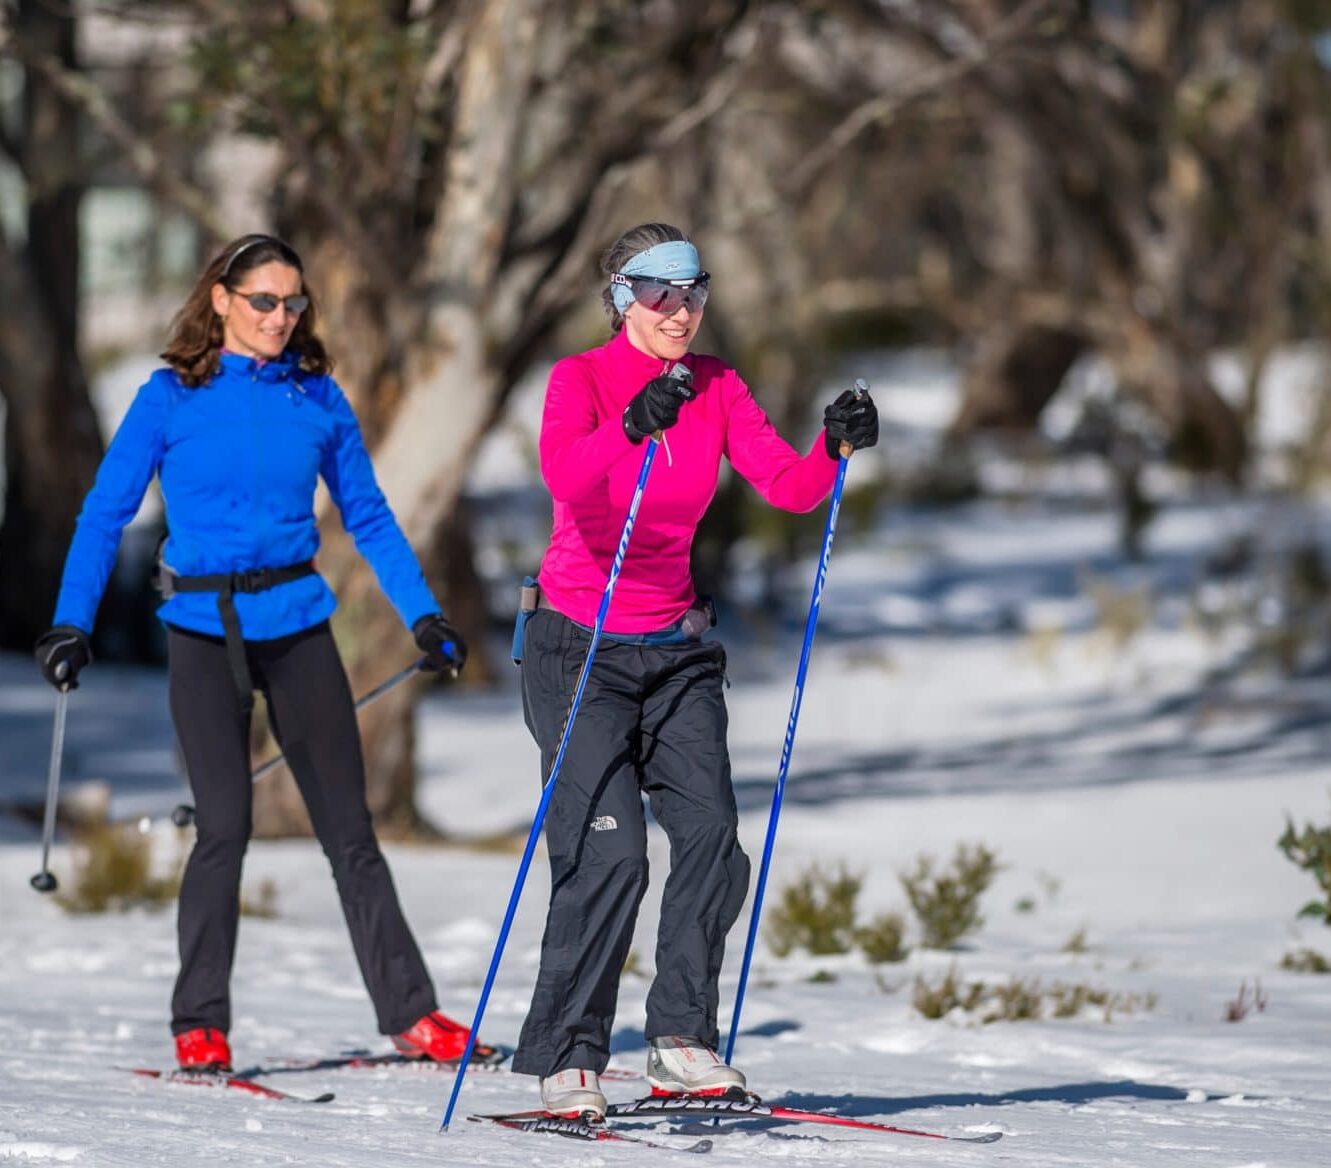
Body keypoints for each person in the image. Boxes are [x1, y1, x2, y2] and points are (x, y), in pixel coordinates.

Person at [34, 233, 488, 1074]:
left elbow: (371, 517)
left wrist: (425, 616)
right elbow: (103, 515)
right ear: (221, 301)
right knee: (224, 825)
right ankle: (199, 1020)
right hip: (203, 635)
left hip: (298, 626)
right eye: (263, 302)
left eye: (293, 303)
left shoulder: (317, 399)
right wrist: (72, 622)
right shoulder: (168, 398)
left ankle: (414, 1014)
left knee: (351, 832)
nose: (281, 317)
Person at [512, 222, 878, 1115]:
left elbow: (787, 486)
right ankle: (570, 1054)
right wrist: (630, 429)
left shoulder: (715, 385)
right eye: (658, 293)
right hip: (579, 648)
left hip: (675, 652)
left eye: (692, 291)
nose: (679, 310)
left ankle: (679, 1037)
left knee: (713, 837)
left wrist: (833, 449)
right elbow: (565, 477)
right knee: (612, 858)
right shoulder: (581, 380)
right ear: (620, 298)